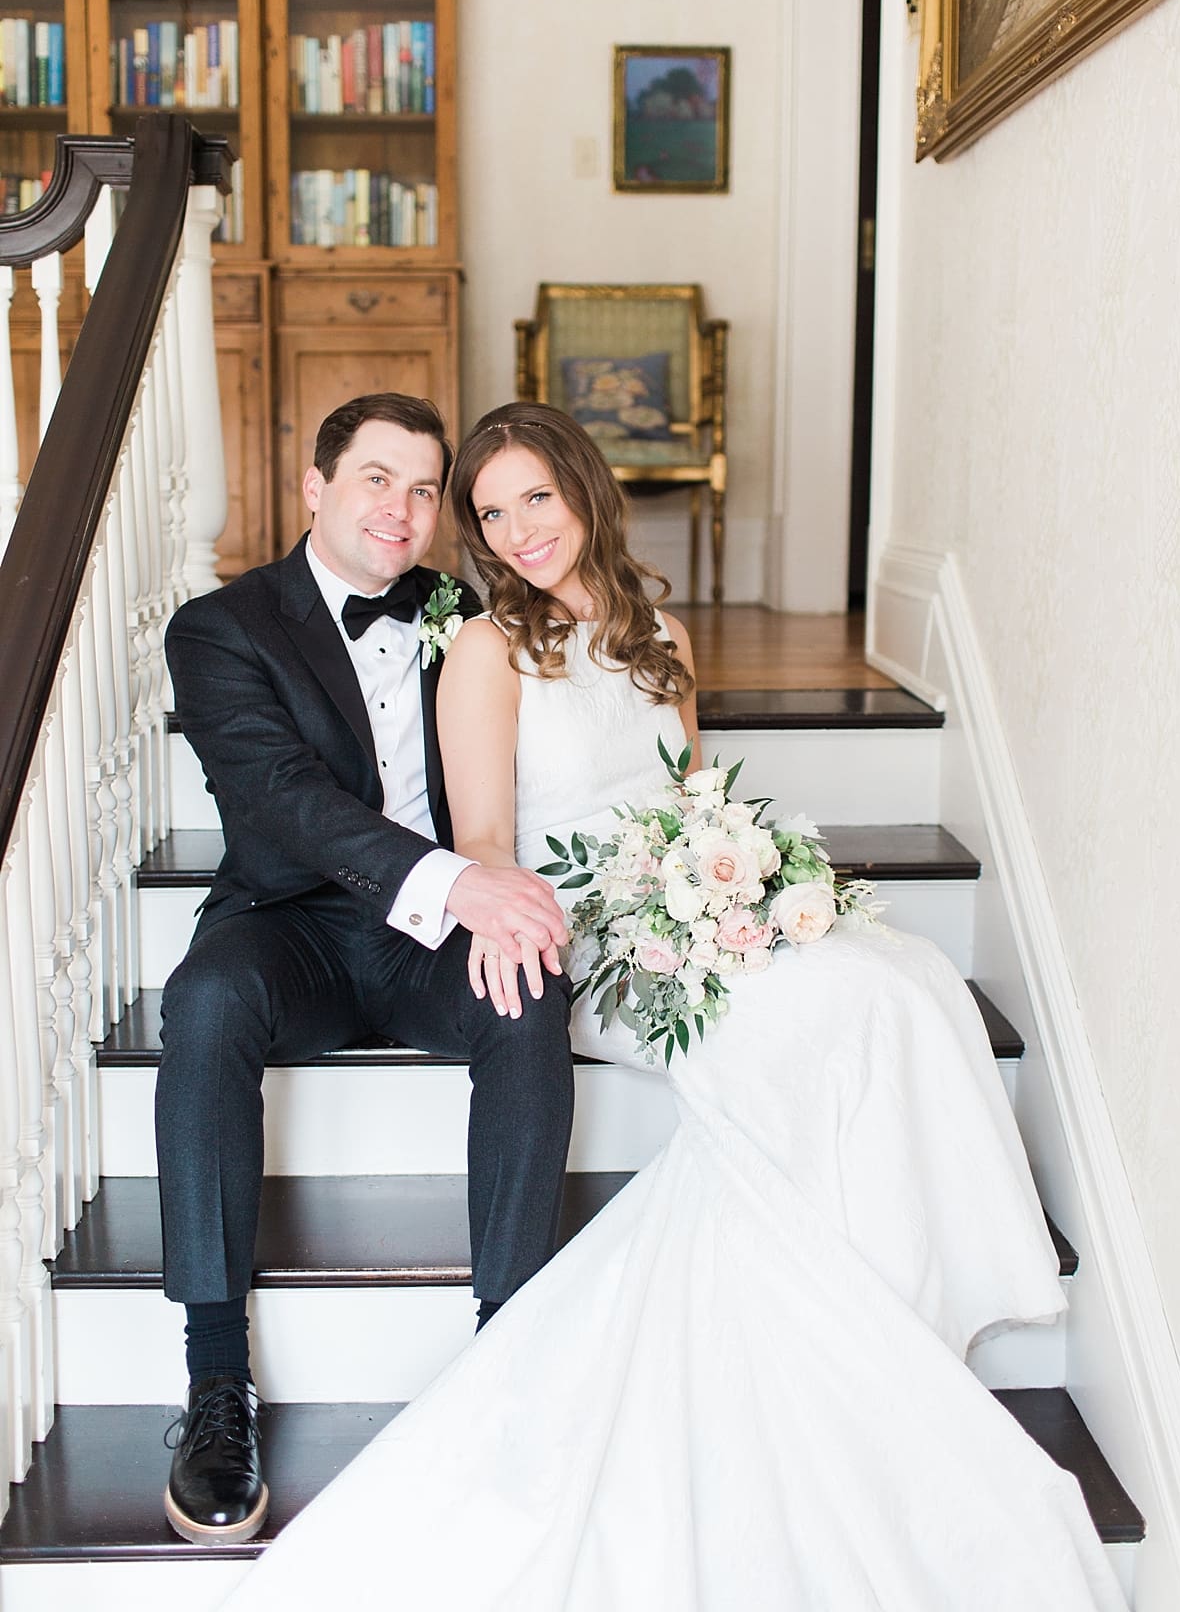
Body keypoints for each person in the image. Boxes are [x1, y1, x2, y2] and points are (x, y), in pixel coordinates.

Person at [220, 404, 1123, 1609]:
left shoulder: (662, 638)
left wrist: (740, 881)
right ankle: (853, 1321)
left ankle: (901, 1298)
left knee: (905, 980)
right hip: (596, 937)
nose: (514, 529)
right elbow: (483, 836)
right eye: (488, 512)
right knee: (839, 1010)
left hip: (687, 907)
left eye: (532, 497)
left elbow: (694, 799)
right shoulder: (488, 647)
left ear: (584, 490)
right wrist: (521, 915)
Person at [156, 393, 575, 1547]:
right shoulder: (221, 626)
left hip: (430, 932)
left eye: (426, 488)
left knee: (530, 986)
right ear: (316, 485)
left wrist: (490, 891)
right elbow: (281, 805)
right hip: (289, 924)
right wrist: (458, 884)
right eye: (377, 478)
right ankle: (212, 1386)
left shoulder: (456, 609)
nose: (402, 508)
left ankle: (511, 1346)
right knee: (199, 1001)